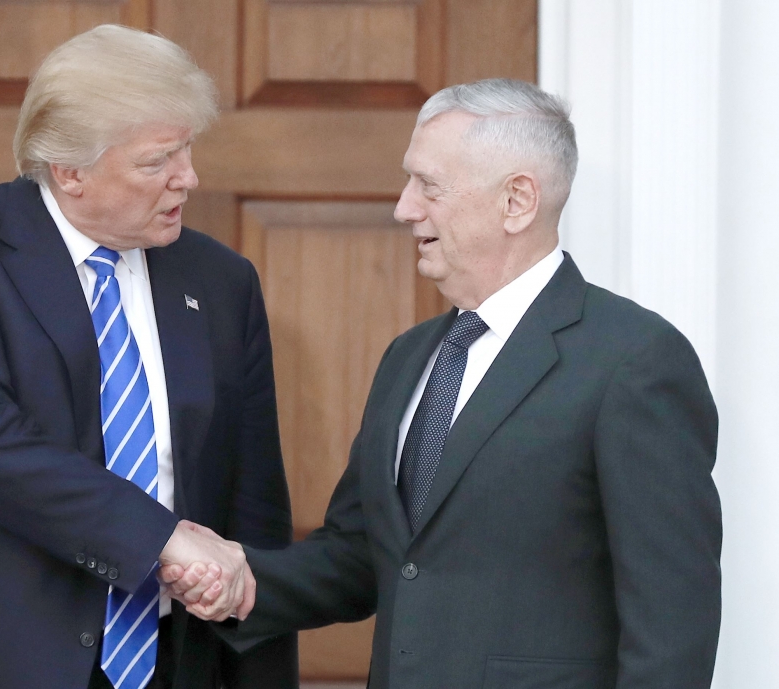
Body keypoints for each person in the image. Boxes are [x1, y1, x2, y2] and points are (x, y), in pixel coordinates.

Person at [165, 78, 723, 689]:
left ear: (517, 201)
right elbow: (363, 555)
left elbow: (671, 629)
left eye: (428, 185)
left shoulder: (635, 360)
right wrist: (240, 580)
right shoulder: (410, 357)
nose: (404, 207)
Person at [0, 25, 296, 689]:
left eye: (188, 151)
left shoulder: (221, 279)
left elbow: (252, 502)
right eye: (156, 161)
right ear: (70, 170)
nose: (188, 177)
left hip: (172, 660)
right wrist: (161, 538)